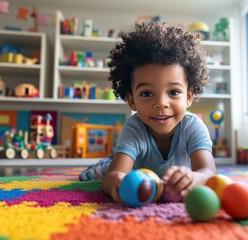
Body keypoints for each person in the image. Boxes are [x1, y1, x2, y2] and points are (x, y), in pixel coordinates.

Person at [79, 21, 216, 202]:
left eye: (173, 92)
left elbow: (208, 173)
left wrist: (194, 178)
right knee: (98, 173)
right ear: (132, 100)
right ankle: (103, 163)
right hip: (135, 171)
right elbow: (113, 176)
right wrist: (116, 182)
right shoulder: (134, 128)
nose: (161, 103)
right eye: (146, 93)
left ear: (189, 97)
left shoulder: (193, 126)